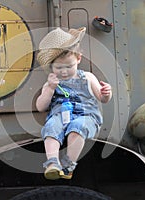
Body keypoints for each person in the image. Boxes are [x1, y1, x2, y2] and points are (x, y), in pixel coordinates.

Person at [36, 27, 112, 180]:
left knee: (77, 128)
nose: (64, 72)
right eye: (59, 68)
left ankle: (69, 165)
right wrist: (50, 89)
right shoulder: (52, 82)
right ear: (51, 66)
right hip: (60, 115)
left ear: (78, 58)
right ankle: (53, 162)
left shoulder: (88, 77)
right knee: (51, 127)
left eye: (69, 67)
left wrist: (106, 93)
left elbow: (101, 98)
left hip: (86, 115)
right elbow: (40, 106)